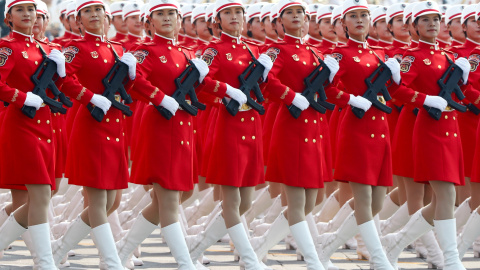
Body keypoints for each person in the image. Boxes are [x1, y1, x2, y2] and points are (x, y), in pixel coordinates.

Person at [48, 0, 137, 268]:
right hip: (92, 125)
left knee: (113, 200)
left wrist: (131, 75)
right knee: (98, 200)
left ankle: (58, 245)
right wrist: (90, 97)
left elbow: (126, 89)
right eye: (87, 11)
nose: (94, 15)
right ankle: (111, 260)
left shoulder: (118, 49)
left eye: (98, 10)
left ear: (107, 17)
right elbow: (63, 80)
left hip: (115, 127)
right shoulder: (76, 48)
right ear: (78, 20)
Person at [381, 2, 469, 270]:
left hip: (450, 128)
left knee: (444, 196)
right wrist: (426, 99)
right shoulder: (412, 58)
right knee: (445, 195)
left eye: (436, 20)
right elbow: (396, 90)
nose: (432, 24)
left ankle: (397, 240)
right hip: (429, 128)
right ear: (414, 27)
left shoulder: (448, 56)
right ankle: (451, 258)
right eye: (425, 20)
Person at [187, 0, 273, 269]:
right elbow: (199, 85)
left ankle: (196, 245)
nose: (234, 17)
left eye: (238, 12)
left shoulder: (254, 49)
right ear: (218, 20)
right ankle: (249, 258)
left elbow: (265, 92)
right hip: (228, 124)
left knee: (245, 200)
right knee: (232, 199)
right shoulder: (213, 50)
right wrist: (225, 93)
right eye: (228, 13)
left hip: (251, 125)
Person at [315, 0, 401, 269]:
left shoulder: (379, 54)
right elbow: (325, 89)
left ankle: (327, 242)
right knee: (363, 199)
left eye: (364, 15)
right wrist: (350, 99)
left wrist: (398, 80)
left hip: (380, 129)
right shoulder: (338, 55)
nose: (360, 20)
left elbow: (394, 93)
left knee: (376, 202)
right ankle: (378, 257)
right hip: (355, 127)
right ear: (343, 24)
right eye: (353, 16)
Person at [0, 0, 66, 268]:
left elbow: (52, 90)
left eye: (32, 10)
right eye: (20, 10)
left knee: (35, 198)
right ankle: (45, 261)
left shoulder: (43, 49)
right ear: (9, 18)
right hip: (20, 125)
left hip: (45, 127)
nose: (28, 15)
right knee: (40, 196)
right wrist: (21, 97)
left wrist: (60, 73)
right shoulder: (7, 47)